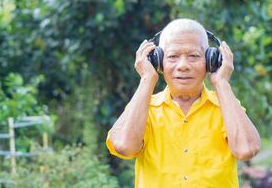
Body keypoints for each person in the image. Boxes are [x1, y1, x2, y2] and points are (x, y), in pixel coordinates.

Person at [106, 18, 261, 187]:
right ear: (158, 61)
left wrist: (222, 82)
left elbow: (246, 149)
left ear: (211, 61)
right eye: (173, 56)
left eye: (194, 56)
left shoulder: (225, 106)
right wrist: (147, 78)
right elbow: (124, 146)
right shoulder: (145, 108)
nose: (183, 65)